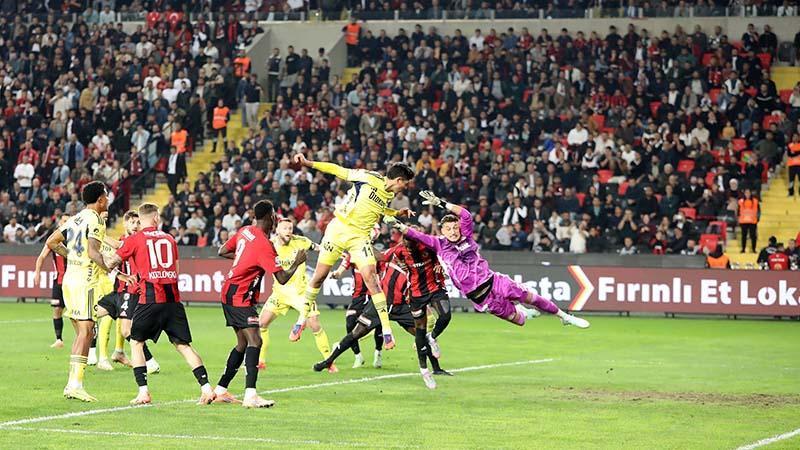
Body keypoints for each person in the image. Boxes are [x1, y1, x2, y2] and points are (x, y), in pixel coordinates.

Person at [390, 191, 589, 330]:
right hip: (482, 298)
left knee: (531, 296)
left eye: (455, 228)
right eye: (448, 229)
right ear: (442, 231)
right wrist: (395, 223)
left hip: (495, 281)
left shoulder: (466, 236)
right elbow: (414, 234)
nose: (452, 231)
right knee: (520, 321)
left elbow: (466, 215)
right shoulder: (438, 244)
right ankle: (522, 311)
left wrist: (441, 203)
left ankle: (565, 317)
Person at [292, 153, 415, 350]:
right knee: (319, 277)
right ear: (399, 180)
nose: (406, 187)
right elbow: (337, 170)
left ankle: (386, 330)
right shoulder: (368, 177)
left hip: (360, 237)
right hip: (338, 229)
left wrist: (396, 213)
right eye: (406, 184)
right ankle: (301, 320)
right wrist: (308, 163)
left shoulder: (389, 195)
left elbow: (379, 211)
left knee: (371, 279)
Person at [108, 203, 215, 406]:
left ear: (140, 220)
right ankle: (207, 389)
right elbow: (175, 268)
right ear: (156, 218)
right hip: (173, 300)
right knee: (184, 346)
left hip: (150, 299)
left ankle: (143, 392)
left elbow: (112, 262)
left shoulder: (134, 239)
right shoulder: (170, 238)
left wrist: (108, 263)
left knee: (136, 342)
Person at [212, 201, 307, 408]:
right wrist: (297, 262)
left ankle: (220, 390)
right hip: (240, 297)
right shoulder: (264, 245)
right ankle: (250, 395)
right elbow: (281, 278)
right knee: (256, 341)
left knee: (243, 343)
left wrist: (243, 260)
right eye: (275, 215)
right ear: (271, 217)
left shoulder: (245, 231)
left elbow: (222, 250)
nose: (275, 219)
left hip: (229, 292)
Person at [313, 243, 449, 387]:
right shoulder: (391, 256)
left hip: (401, 306)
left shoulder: (419, 265)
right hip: (380, 303)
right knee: (356, 333)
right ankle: (328, 361)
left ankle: (436, 368)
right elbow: (374, 253)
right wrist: (363, 240)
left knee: (420, 335)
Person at [45, 182, 113, 402]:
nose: (108, 200)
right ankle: (75, 385)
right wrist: (108, 268)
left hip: (70, 280)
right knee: (86, 332)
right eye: (106, 197)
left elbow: (52, 241)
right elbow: (94, 252)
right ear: (100, 200)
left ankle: (73, 383)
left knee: (82, 333)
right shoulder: (95, 220)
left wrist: (71, 256)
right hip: (86, 280)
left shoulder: (74, 219)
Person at [256, 218, 335, 373]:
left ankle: (329, 361)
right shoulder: (269, 245)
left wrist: (334, 249)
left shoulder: (300, 241)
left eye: (291, 228)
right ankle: (261, 361)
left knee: (315, 325)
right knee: (261, 324)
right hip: (280, 293)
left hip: (301, 293)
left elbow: (320, 248)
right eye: (285, 228)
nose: (289, 231)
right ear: (277, 230)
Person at [384, 225, 455, 385]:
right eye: (406, 242)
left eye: (410, 242)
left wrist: (439, 263)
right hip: (417, 294)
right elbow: (384, 257)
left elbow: (444, 251)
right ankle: (425, 371)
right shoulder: (399, 250)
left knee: (445, 316)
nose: (408, 246)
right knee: (419, 332)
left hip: (434, 287)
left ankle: (433, 337)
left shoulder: (428, 244)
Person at [95, 210, 160, 375]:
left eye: (138, 223)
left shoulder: (136, 240)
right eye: (133, 222)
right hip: (117, 291)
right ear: (125, 224)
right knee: (88, 313)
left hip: (130, 291)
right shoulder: (124, 239)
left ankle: (150, 362)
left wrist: (96, 233)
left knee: (126, 331)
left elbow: (118, 247)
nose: (136, 226)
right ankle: (90, 353)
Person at [330, 250, 384, 369]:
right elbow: (341, 268)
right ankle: (358, 356)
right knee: (350, 324)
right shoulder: (353, 254)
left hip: (373, 295)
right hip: (358, 297)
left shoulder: (375, 255)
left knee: (379, 325)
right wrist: (337, 274)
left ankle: (378, 353)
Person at [33, 214, 70, 349]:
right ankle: (59, 339)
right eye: (64, 221)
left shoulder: (75, 239)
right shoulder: (54, 240)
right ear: (60, 222)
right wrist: (37, 272)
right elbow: (41, 257)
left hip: (73, 282)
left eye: (69, 221)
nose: (66, 223)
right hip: (58, 281)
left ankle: (84, 341)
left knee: (76, 313)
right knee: (57, 310)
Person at [738, 188, 759, 253]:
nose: (747, 194)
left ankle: (753, 249)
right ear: (744, 194)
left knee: (753, 236)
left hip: (753, 221)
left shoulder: (755, 201)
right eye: (746, 193)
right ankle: (743, 249)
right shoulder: (740, 201)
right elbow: (738, 211)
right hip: (743, 221)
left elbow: (759, 211)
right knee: (743, 236)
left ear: (750, 193)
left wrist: (758, 219)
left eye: (748, 193)